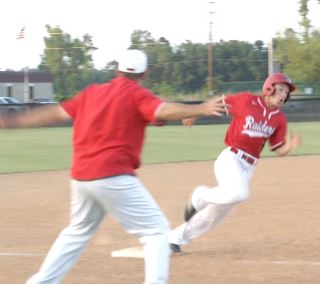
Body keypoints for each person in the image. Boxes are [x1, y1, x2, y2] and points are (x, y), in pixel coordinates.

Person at [0, 49, 226, 284]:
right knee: (156, 232)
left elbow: (55, 113)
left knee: (77, 231)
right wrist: (200, 108)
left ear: (116, 70)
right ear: (144, 73)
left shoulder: (92, 93)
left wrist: (15, 120)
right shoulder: (137, 94)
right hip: (113, 176)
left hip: (81, 177)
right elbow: (162, 110)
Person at [168, 73, 302, 253]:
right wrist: (196, 112)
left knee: (217, 213)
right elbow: (219, 102)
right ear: (269, 88)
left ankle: (175, 238)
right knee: (239, 193)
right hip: (231, 158)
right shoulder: (247, 100)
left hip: (249, 167)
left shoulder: (279, 119)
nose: (283, 95)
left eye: (286, 92)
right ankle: (200, 195)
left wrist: (289, 147)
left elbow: (278, 149)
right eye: (280, 90)